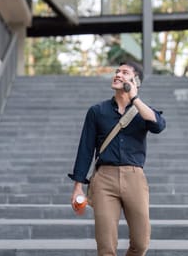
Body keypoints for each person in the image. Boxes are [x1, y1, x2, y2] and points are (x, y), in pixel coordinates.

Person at [68, 60, 166, 256]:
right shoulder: (97, 111)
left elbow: (159, 126)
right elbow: (85, 149)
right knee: (106, 247)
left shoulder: (143, 111)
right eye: (117, 71)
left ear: (135, 80)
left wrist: (134, 97)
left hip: (135, 178)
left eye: (125, 72)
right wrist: (78, 186)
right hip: (104, 179)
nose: (118, 75)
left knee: (141, 242)